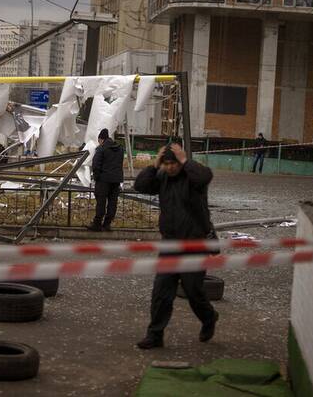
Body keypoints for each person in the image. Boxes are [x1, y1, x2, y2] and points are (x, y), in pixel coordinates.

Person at [133, 143, 218, 349]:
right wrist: (154, 166)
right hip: (170, 244)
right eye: (167, 164)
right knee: (161, 291)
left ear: (180, 162)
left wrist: (185, 160)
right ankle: (155, 335)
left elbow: (205, 176)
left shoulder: (193, 177)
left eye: (174, 164)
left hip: (194, 243)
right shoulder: (162, 177)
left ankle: (209, 318)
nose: (170, 168)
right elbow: (140, 186)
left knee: (193, 291)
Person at [87, 128, 124, 232]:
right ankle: (107, 224)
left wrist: (97, 177)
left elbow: (95, 165)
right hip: (116, 180)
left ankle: (97, 224)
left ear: (101, 139)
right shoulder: (120, 148)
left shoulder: (101, 149)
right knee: (113, 203)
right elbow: (120, 164)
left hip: (103, 180)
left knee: (101, 202)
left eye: (99, 140)